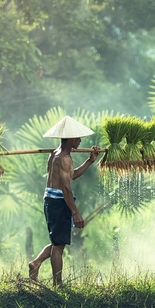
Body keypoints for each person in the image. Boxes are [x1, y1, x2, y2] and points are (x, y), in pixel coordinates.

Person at [29, 116, 100, 287]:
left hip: (51, 200)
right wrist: (75, 212)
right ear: (70, 139)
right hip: (58, 202)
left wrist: (90, 161)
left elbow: (72, 175)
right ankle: (58, 284)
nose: (80, 140)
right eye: (78, 137)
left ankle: (36, 263)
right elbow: (66, 188)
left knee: (57, 242)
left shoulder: (56, 154)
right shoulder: (64, 158)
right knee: (59, 248)